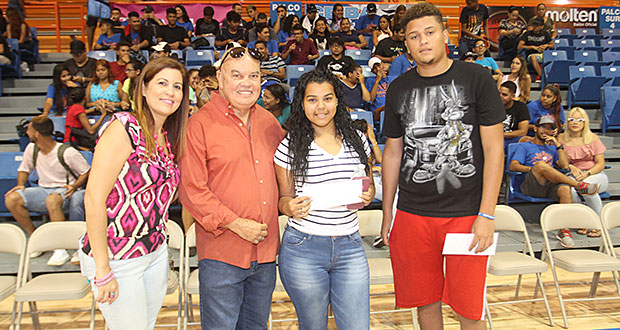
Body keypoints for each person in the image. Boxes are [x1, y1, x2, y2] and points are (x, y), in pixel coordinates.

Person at [381, 3, 504, 329]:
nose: (422, 41)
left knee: (468, 309)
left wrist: (487, 214)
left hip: (466, 215)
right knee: (424, 303)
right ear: (405, 44)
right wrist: (387, 213)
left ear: (446, 34)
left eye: (430, 33)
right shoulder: (398, 89)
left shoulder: (477, 78)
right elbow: (392, 153)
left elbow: (494, 149)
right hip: (411, 215)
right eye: (414, 36)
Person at [79, 57, 188, 329]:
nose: (170, 92)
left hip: (154, 251)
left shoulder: (167, 138)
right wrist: (103, 269)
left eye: (177, 86)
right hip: (116, 256)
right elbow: (93, 198)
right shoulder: (124, 127)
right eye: (162, 83)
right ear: (143, 88)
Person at [179, 46, 283, 329]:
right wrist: (235, 223)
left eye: (253, 76)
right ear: (220, 79)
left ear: (262, 81)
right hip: (222, 253)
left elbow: (289, 173)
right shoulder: (198, 125)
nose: (246, 83)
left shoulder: (269, 123)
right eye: (236, 75)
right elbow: (191, 190)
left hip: (264, 253)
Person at [274, 69, 374, 329]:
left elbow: (368, 184)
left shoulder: (358, 140)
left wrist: (368, 193)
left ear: (338, 101)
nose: (321, 107)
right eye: (312, 99)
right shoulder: (290, 145)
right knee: (313, 326)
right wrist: (290, 207)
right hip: (304, 249)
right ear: (302, 103)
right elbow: (283, 200)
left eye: (327, 98)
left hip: (350, 246)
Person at [5, 115, 90, 266]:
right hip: (43, 189)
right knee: (12, 199)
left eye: (29, 130)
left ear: (37, 133)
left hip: (66, 190)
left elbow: (86, 172)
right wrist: (20, 184)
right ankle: (37, 238)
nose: (27, 133)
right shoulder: (31, 149)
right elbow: (24, 169)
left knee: (52, 199)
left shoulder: (67, 152)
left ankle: (59, 248)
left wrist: (74, 186)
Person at [509, 115, 599, 248]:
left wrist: (558, 145)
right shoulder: (525, 146)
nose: (546, 131)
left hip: (549, 186)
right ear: (535, 128)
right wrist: (535, 169)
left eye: (550, 129)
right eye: (543, 127)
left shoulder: (552, 148)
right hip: (531, 185)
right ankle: (579, 186)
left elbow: (564, 166)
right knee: (540, 165)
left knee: (564, 189)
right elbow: (513, 166)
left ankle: (564, 230)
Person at [558, 107, 609, 238]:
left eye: (579, 120)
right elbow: (558, 161)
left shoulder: (592, 138)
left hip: (595, 175)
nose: (575, 123)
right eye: (572, 119)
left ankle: (598, 224)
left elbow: (600, 164)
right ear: (567, 122)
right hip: (572, 176)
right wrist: (570, 166)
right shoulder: (561, 139)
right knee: (572, 190)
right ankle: (583, 221)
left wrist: (586, 174)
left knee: (586, 187)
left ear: (584, 122)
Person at [517, 16, 553, 81]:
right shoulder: (527, 34)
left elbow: (552, 45)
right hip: (531, 54)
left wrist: (546, 45)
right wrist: (532, 47)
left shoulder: (545, 34)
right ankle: (543, 77)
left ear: (542, 26)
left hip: (543, 54)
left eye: (538, 25)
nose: (535, 27)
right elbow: (519, 47)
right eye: (534, 25)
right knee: (533, 57)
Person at [499, 81, 529, 147]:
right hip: (495, 139)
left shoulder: (521, 107)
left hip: (512, 139)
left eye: (504, 95)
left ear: (513, 96)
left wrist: (501, 134)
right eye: (499, 93)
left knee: (527, 140)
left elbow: (523, 131)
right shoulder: (492, 106)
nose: (500, 96)